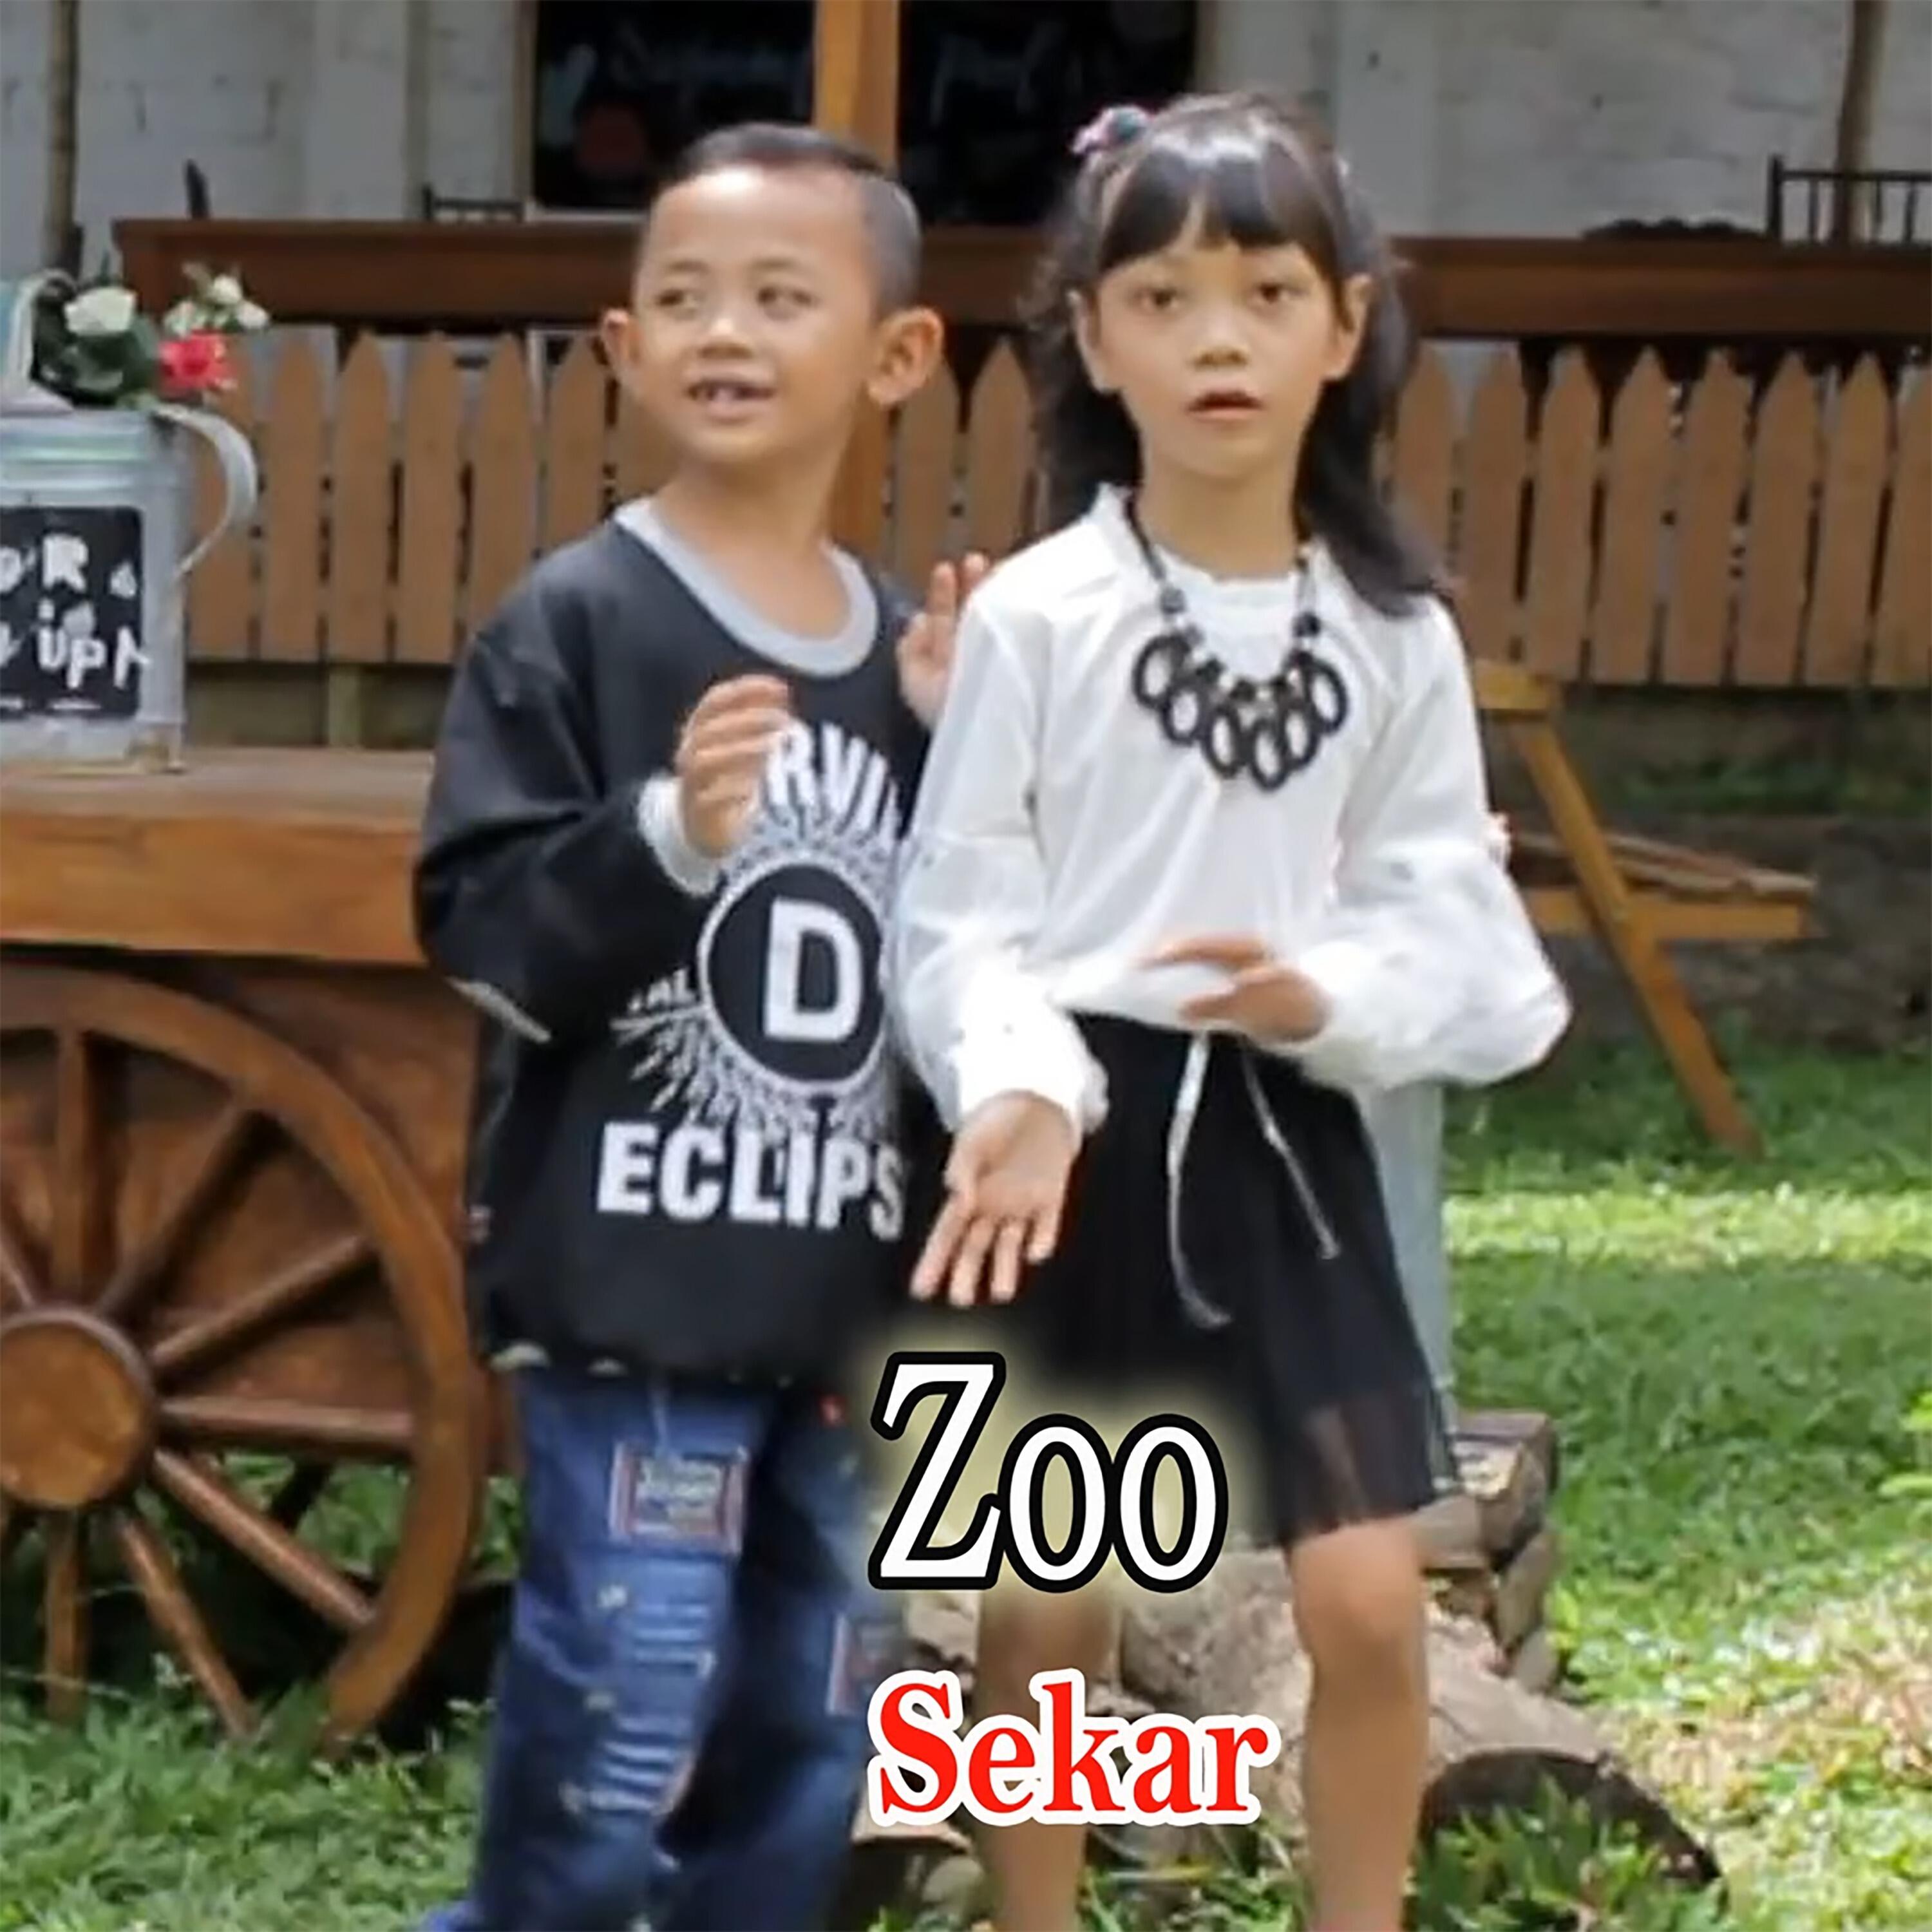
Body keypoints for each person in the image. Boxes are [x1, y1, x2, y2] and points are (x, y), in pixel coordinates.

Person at [887, 93, 1571, 1932]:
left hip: (1284, 1142)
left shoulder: (1395, 636)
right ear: (1095, 339)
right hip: (1063, 1154)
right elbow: (959, 907)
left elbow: (1445, 904)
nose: (1218, 341)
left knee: (1365, 1601)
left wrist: (1321, 991)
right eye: (1166, 297)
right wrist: (1019, 1086)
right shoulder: (1039, 617)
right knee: (1046, 1600)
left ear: (1343, 329)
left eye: (1267, 294)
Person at [413, 122, 977, 1932]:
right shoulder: (575, 625)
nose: (725, 331)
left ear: (899, 354)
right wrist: (667, 835)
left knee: (825, 1705)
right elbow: (481, 929)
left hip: (851, 1305)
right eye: (684, 298)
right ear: (623, 345)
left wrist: (974, 754)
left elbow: (974, 967)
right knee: (624, 1696)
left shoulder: (913, 659)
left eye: (781, 296)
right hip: (638, 1293)